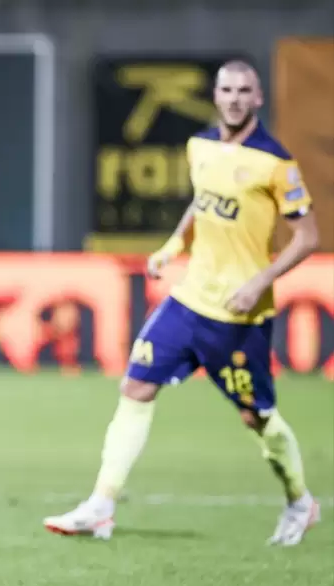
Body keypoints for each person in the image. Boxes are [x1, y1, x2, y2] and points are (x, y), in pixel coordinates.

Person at [43, 61, 321, 545]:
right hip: (189, 300)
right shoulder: (201, 145)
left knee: (256, 416)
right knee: (136, 387)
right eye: (226, 89)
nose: (234, 98)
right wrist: (173, 246)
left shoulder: (275, 162)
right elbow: (201, 201)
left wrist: (260, 282)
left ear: (258, 98)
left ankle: (300, 501)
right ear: (216, 96)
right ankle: (101, 506)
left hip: (238, 314)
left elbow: (308, 236)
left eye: (244, 91)